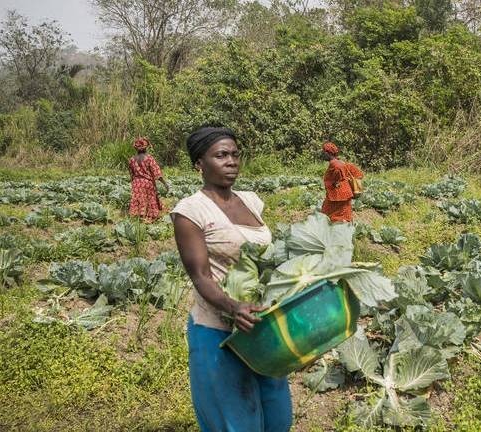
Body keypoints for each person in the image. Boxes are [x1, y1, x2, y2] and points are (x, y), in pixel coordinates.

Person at [171, 126, 292, 432]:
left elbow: (264, 258)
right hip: (219, 330)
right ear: (199, 163)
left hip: (262, 326)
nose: (231, 161)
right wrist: (232, 306)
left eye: (235, 154)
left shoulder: (251, 201)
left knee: (277, 415)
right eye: (221, 155)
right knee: (236, 421)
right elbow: (200, 276)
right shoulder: (190, 211)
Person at [320, 141, 364, 222]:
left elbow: (338, 177)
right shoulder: (340, 162)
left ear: (328, 153)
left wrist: (335, 182)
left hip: (339, 195)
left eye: (323, 152)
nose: (322, 154)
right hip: (343, 194)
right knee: (341, 215)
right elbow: (357, 172)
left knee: (331, 216)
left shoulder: (335, 164)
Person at [128, 137, 169, 222]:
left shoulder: (132, 160)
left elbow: (131, 174)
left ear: (136, 148)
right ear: (146, 147)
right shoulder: (149, 158)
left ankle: (139, 215)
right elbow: (157, 173)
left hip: (136, 183)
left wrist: (134, 183)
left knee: (138, 199)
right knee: (149, 199)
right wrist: (165, 184)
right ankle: (149, 216)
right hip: (147, 183)